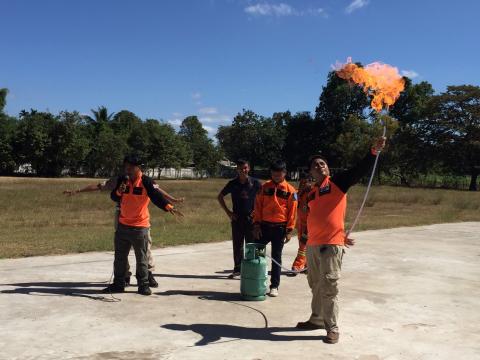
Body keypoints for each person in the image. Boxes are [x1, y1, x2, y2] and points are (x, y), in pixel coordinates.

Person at [296, 136, 386, 344]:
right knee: (316, 286)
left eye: (322, 163)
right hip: (312, 246)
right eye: (315, 165)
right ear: (310, 172)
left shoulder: (337, 183)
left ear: (327, 168)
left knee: (329, 287)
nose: (319, 166)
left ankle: (332, 327)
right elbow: (318, 217)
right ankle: (316, 319)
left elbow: (359, 170)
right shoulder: (313, 193)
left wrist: (373, 151)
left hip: (330, 247)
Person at [64, 177, 184, 288]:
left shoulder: (146, 180)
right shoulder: (119, 179)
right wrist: (77, 191)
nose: (128, 169)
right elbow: (98, 186)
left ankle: (147, 273)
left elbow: (157, 191)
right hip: (122, 216)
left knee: (145, 247)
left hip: (140, 220)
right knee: (122, 248)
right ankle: (124, 275)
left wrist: (172, 200)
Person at [103, 155, 183, 296]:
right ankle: (119, 284)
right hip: (122, 225)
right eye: (126, 166)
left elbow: (156, 196)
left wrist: (169, 206)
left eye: (131, 166)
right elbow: (114, 197)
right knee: (120, 258)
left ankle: (143, 284)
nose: (127, 169)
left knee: (142, 258)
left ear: (138, 167)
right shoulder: (123, 180)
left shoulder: (146, 181)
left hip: (140, 227)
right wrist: (119, 191)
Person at [253, 160, 298, 297]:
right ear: (271, 173)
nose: (277, 175)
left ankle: (274, 286)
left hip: (279, 229)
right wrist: (256, 224)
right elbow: (258, 206)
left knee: (276, 258)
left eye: (280, 173)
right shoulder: (264, 187)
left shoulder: (291, 191)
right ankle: (257, 281)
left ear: (285, 173)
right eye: (274, 173)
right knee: (258, 256)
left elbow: (293, 211)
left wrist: (289, 230)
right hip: (264, 227)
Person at [218, 159, 262, 279]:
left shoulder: (256, 183)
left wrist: (257, 212)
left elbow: (264, 198)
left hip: (252, 219)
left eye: (245, 168)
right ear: (237, 169)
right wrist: (228, 212)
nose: (243, 170)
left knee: (252, 245)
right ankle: (238, 269)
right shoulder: (233, 183)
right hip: (237, 219)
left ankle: (254, 268)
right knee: (237, 245)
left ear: (248, 168)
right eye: (240, 168)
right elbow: (220, 196)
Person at [290, 172, 312, 274]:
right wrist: (300, 191)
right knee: (303, 245)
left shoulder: (312, 194)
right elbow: (292, 199)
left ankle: (297, 265)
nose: (303, 184)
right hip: (300, 224)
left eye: (305, 182)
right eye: (301, 182)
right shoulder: (298, 193)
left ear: (310, 182)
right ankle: (307, 266)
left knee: (303, 246)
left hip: (310, 225)